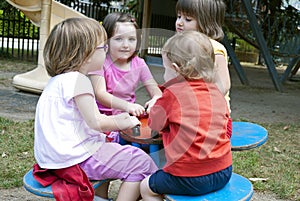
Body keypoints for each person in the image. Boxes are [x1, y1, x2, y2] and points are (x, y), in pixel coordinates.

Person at [34, 17, 158, 201]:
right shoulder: (79, 81)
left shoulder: (56, 81)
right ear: (85, 54)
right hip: (75, 161)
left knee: (113, 148)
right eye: (103, 48)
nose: (106, 52)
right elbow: (96, 122)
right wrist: (124, 120)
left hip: (53, 160)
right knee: (141, 162)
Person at [140, 31, 232, 200]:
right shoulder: (216, 93)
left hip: (188, 177)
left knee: (145, 187)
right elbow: (226, 126)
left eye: (165, 68)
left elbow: (154, 125)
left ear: (175, 69)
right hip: (224, 171)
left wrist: (155, 106)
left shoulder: (172, 95)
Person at [175, 0, 232, 138]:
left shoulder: (214, 49)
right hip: (188, 114)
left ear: (206, 23)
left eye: (188, 19)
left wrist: (200, 100)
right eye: (178, 16)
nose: (180, 22)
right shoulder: (181, 47)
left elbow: (223, 85)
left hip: (214, 119)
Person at [89, 12, 162, 118]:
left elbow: (156, 91)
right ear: (106, 40)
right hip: (103, 119)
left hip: (128, 117)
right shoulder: (100, 62)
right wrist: (127, 106)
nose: (126, 45)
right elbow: (100, 94)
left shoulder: (139, 64)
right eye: (119, 39)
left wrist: (155, 99)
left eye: (131, 39)